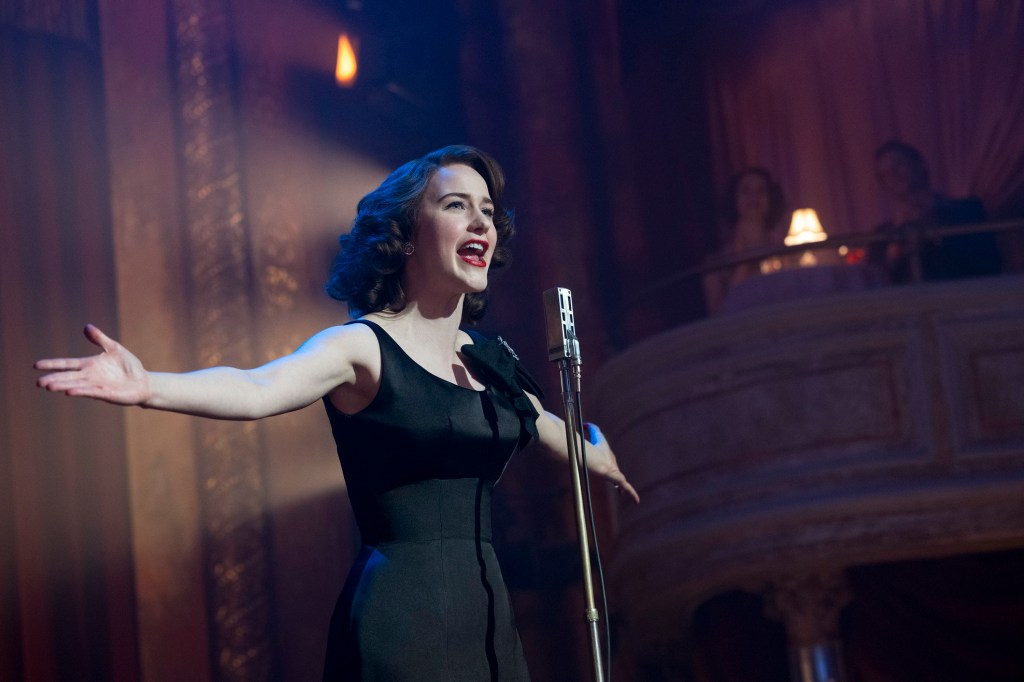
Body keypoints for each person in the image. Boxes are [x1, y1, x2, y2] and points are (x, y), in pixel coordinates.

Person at [34, 145, 639, 681]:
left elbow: (537, 424)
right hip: (403, 616)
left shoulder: (489, 360)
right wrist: (148, 386)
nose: (480, 220)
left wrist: (598, 456)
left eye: (487, 210)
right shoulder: (361, 346)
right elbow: (255, 388)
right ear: (406, 232)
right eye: (457, 205)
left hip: (488, 618)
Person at [870, 139, 1002, 283]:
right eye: (885, 173)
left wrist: (931, 227)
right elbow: (877, 283)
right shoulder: (882, 235)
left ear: (920, 165)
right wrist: (896, 245)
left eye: (899, 164)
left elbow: (988, 262)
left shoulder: (967, 210)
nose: (893, 174)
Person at [703, 167, 788, 313]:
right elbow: (719, 318)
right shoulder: (714, 265)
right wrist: (743, 265)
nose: (754, 197)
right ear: (734, 199)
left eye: (761, 191)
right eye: (746, 191)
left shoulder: (785, 253)